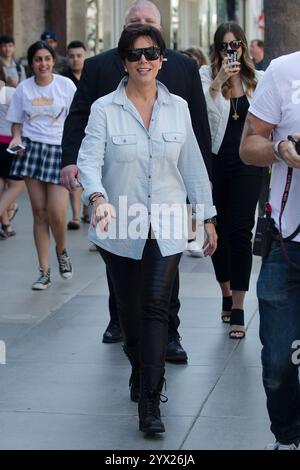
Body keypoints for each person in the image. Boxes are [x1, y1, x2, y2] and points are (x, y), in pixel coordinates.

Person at [78, 23, 217, 435]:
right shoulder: (105, 108)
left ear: (162, 60)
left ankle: (151, 404)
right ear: (124, 61)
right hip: (119, 222)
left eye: (151, 53)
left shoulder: (178, 108)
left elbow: (192, 165)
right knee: (130, 314)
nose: (144, 61)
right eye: (136, 54)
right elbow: (88, 160)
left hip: (169, 223)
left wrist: (207, 217)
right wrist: (97, 198)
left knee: (156, 307)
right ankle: (140, 367)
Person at [60, 0, 212, 362]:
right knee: (124, 273)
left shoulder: (184, 68)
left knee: (162, 282)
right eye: (134, 25)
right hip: (121, 200)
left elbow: (197, 139)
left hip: (167, 202)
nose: (143, 58)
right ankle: (122, 322)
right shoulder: (99, 70)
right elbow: (79, 117)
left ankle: (168, 336)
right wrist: (73, 165)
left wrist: (202, 206)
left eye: (149, 26)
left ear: (161, 44)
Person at [240, 51, 300, 450]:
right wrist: (281, 149)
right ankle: (288, 436)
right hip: (286, 241)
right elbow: (248, 147)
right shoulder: (283, 71)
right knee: (278, 360)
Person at [200, 22, 263, 339]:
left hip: (248, 165)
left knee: (240, 233)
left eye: (235, 44)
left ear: (244, 46)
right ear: (216, 49)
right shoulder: (205, 76)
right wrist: (220, 80)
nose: (231, 50)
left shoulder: (258, 80)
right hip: (216, 163)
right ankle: (225, 292)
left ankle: (238, 306)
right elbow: (201, 115)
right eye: (225, 45)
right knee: (219, 234)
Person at [6, 41, 76, 289]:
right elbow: (16, 122)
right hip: (33, 149)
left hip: (59, 151)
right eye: (38, 59)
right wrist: (16, 137)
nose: (43, 64)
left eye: (47, 58)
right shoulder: (23, 89)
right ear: (32, 62)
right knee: (39, 213)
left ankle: (62, 251)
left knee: (57, 212)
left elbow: (77, 118)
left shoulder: (66, 86)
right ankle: (44, 271)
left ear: (53, 61)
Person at [63, 40, 89, 230]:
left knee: (89, 172)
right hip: (73, 130)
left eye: (79, 55)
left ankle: (87, 211)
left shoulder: (91, 75)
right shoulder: (63, 80)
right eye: (71, 56)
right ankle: (75, 216)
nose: (75, 59)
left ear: (85, 56)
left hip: (92, 130)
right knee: (75, 170)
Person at [0, 64, 24, 240]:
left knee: (1, 186)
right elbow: (22, 116)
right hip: (8, 142)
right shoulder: (8, 92)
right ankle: (7, 213)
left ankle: (6, 225)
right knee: (17, 184)